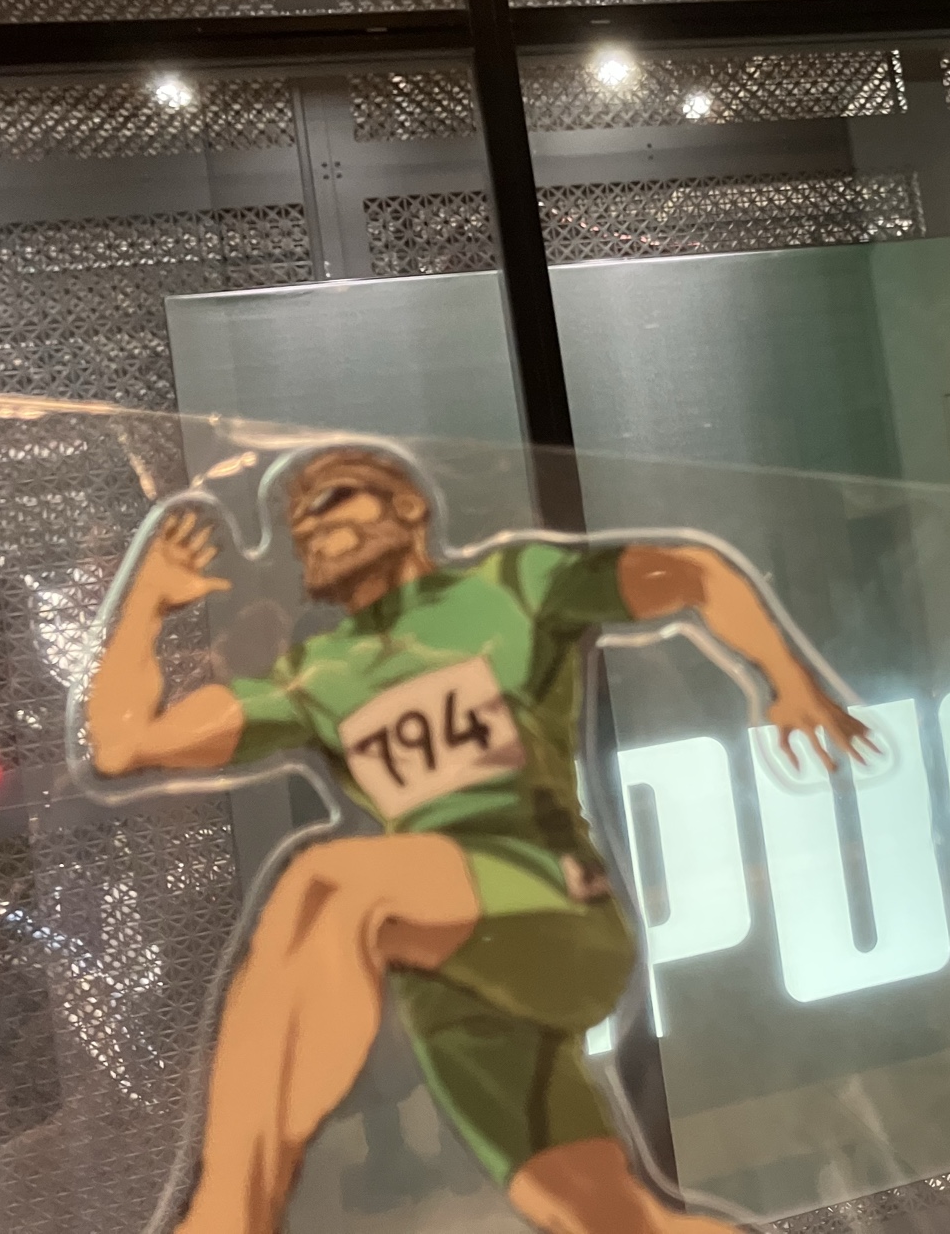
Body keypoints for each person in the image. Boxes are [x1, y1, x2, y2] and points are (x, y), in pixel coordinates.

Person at [84, 446, 874, 1234]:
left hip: (550, 909)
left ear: (409, 508)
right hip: (448, 986)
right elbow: (124, 747)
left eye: (332, 500)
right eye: (299, 528)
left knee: (327, 884)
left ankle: (227, 1217)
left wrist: (787, 679)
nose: (312, 530)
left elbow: (697, 572)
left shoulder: (511, 585)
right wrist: (147, 606)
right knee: (615, 1220)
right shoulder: (316, 675)